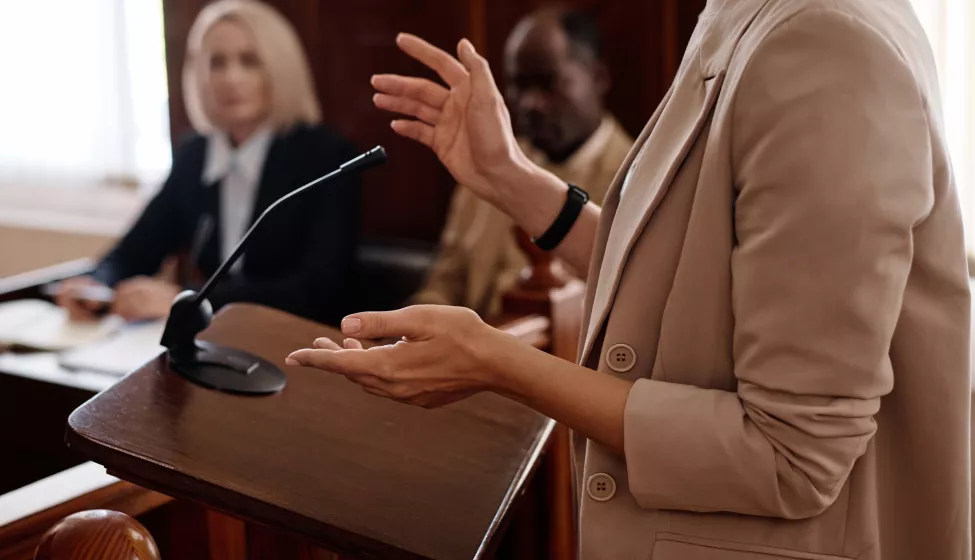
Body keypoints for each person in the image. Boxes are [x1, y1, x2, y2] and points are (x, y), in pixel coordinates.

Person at [288, 1, 971, 559]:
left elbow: (790, 455)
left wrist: (499, 362)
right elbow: (688, 277)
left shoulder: (824, 45)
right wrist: (511, 179)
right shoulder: (744, 17)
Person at [57, 0, 360, 326]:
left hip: (295, 342)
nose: (231, 78)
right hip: (213, 339)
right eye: (217, 62)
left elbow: (314, 289)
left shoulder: (325, 156)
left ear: (279, 68)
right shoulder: (196, 153)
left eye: (249, 61)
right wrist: (98, 283)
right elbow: (137, 248)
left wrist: (186, 299)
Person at [410, 7, 632, 316]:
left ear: (598, 77)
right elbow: (444, 283)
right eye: (519, 85)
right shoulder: (486, 161)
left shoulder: (637, 179)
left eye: (547, 83)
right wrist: (412, 331)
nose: (531, 103)